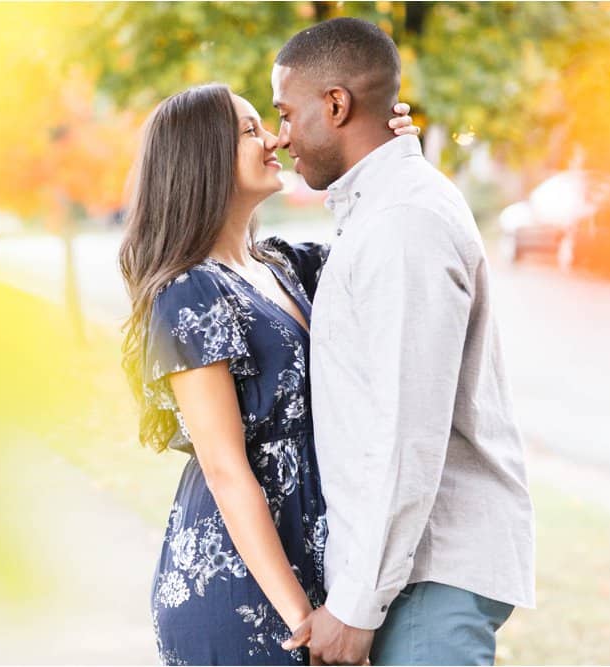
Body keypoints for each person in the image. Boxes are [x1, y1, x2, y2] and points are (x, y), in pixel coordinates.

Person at [118, 84, 417, 665]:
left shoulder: (284, 266)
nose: (277, 137)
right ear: (203, 156)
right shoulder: (190, 291)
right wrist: (301, 619)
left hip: (316, 562)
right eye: (252, 130)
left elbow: (377, 238)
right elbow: (226, 470)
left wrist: (390, 153)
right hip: (244, 591)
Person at [273, 19, 536, 666]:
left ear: (335, 104)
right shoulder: (383, 208)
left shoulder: (402, 223)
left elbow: (405, 431)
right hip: (412, 573)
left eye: (285, 112)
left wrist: (356, 606)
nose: (280, 136)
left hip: (426, 574)